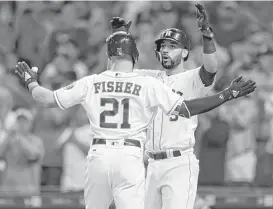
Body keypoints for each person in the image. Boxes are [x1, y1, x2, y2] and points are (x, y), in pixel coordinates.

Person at [15, 31, 255, 209]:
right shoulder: (147, 82)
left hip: (99, 154)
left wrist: (30, 82)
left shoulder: (93, 81)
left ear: (109, 57)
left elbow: (45, 98)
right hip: (131, 158)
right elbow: (185, 109)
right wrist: (226, 95)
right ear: (135, 57)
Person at [108, 4, 233, 209]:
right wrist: (118, 38)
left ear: (184, 53)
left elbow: (211, 68)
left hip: (179, 162)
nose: (165, 50)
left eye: (171, 46)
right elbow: (114, 73)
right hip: (152, 164)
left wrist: (206, 35)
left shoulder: (191, 78)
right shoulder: (148, 77)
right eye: (162, 46)